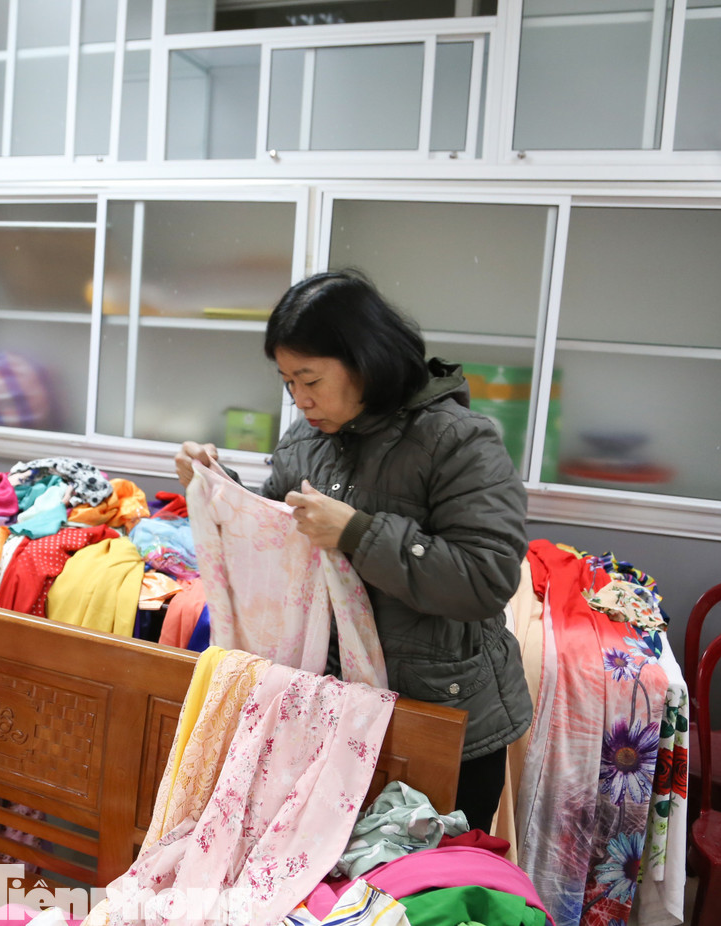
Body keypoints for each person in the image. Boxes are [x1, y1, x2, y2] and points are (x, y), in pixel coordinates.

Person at [175, 269, 531, 832]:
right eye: (287, 381)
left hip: (437, 717)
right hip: (332, 709)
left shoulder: (458, 440)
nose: (299, 398)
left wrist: (359, 533)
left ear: (365, 360)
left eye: (309, 378)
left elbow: (486, 578)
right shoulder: (303, 443)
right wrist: (220, 488)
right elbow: (278, 547)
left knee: (421, 901)